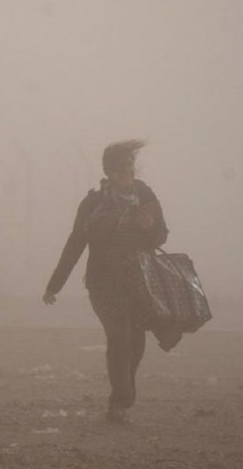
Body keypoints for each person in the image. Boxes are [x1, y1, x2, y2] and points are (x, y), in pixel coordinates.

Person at [42, 140, 168, 423]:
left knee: (136, 342)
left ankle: (122, 394)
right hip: (102, 283)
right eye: (121, 167)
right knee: (118, 335)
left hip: (138, 282)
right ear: (109, 171)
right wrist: (55, 284)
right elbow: (75, 243)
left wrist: (151, 229)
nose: (128, 172)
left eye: (130, 166)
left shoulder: (146, 196)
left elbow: (161, 236)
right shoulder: (93, 204)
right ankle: (120, 399)